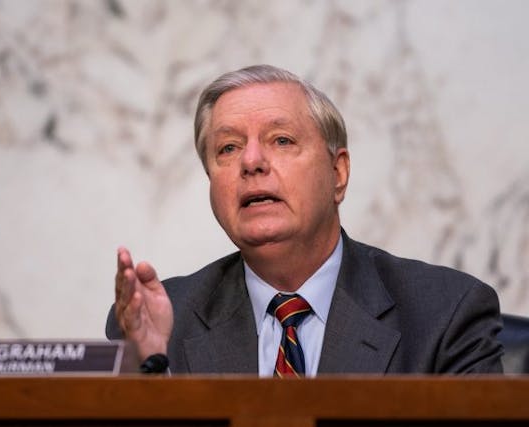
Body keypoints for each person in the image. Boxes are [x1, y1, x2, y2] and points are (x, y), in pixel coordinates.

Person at [106, 64, 503, 375]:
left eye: (282, 140)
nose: (251, 162)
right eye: (228, 147)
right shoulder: (162, 321)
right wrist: (150, 366)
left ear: (338, 173)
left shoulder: (446, 313)